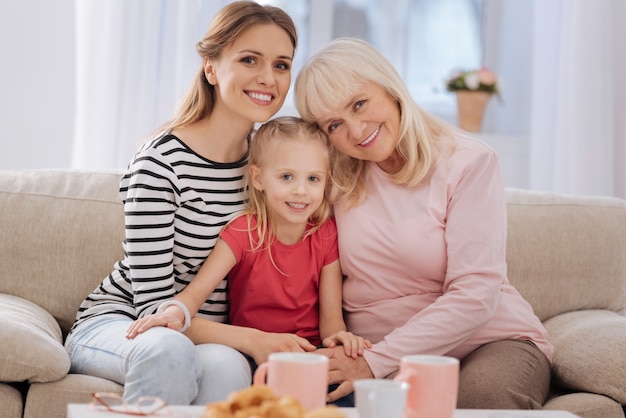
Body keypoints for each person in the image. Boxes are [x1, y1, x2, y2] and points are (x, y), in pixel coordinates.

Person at [294, 37, 554, 410]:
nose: (354, 130)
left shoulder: (468, 163)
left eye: (360, 104)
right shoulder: (331, 180)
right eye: (334, 124)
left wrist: (375, 361)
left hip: (488, 341)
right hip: (369, 353)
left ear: (389, 86)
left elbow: (476, 294)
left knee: (480, 399)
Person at [64, 1, 298, 405]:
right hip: (125, 322)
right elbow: (153, 305)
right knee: (168, 349)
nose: (268, 78)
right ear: (211, 68)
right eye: (249, 59)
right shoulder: (160, 162)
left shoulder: (271, 164)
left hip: (205, 332)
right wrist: (253, 338)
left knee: (229, 366)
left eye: (281, 65)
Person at [126, 116, 370, 364]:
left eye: (313, 179)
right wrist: (175, 312)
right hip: (251, 354)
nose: (301, 191)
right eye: (287, 177)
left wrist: (342, 338)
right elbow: (193, 296)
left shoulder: (326, 234)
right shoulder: (243, 232)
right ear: (258, 178)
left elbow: (331, 323)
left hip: (309, 354)